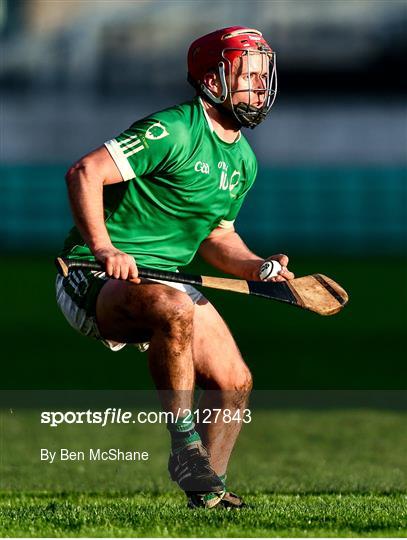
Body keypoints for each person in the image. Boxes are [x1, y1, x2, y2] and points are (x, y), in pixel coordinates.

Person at [56, 26, 294, 509]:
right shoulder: (174, 129)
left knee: (234, 381)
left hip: (168, 279)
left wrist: (257, 267)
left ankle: (207, 490)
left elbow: (217, 235)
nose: (259, 86)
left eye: (262, 76)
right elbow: (85, 172)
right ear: (212, 80)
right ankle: (185, 450)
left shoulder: (243, 161)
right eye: (247, 76)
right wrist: (104, 249)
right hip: (91, 276)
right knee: (173, 307)